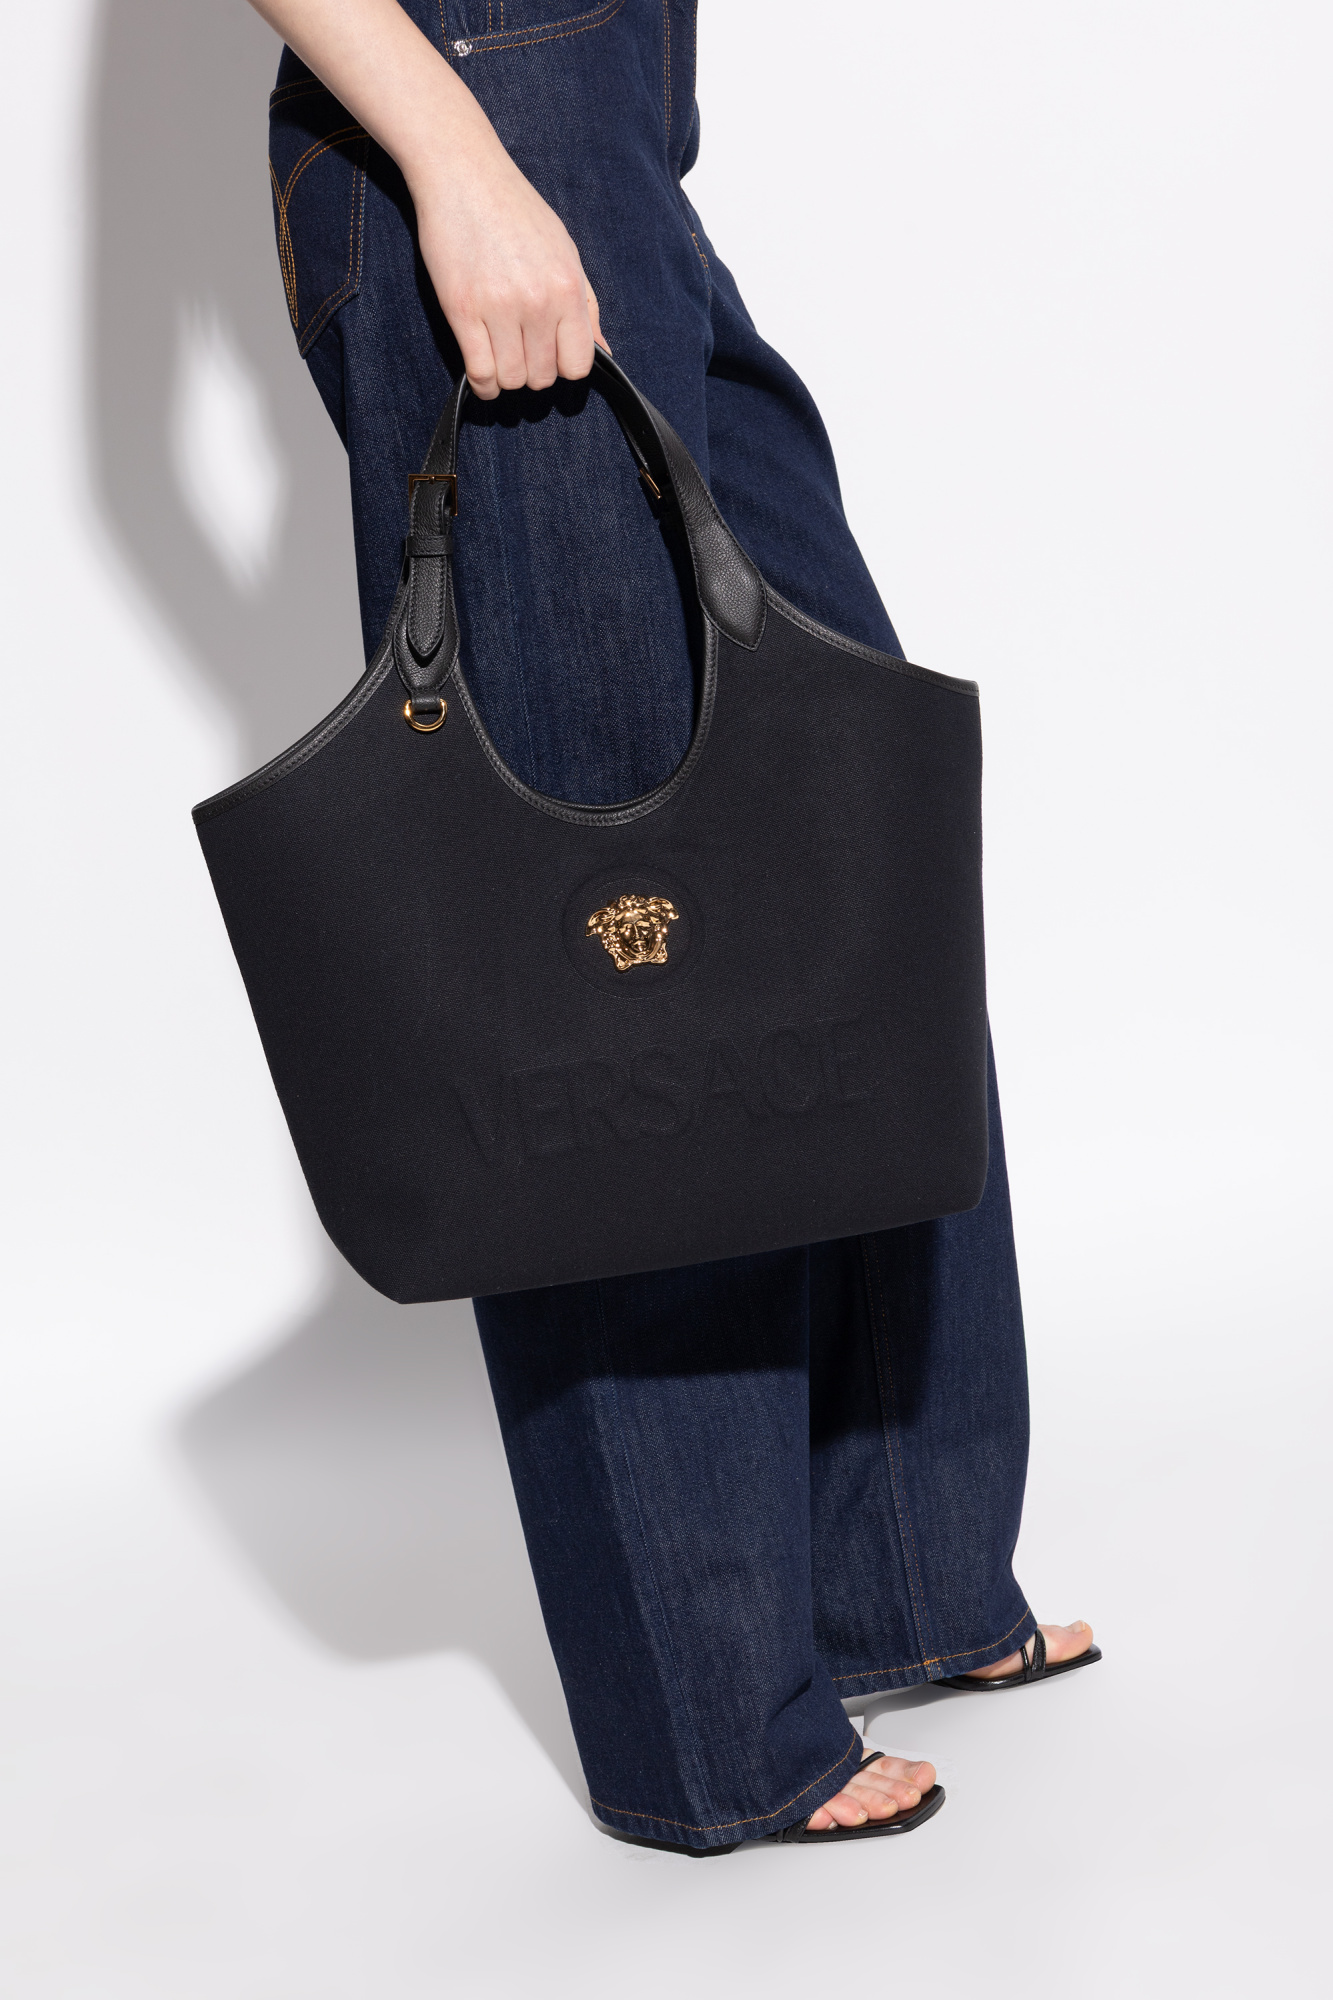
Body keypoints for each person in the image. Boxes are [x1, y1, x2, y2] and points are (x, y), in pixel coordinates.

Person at [245, 0, 1097, 1852]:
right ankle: (713, 1716)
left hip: (610, 139)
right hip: (470, 117)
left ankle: (903, 1570)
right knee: (616, 960)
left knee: (841, 826)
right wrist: (459, 165)